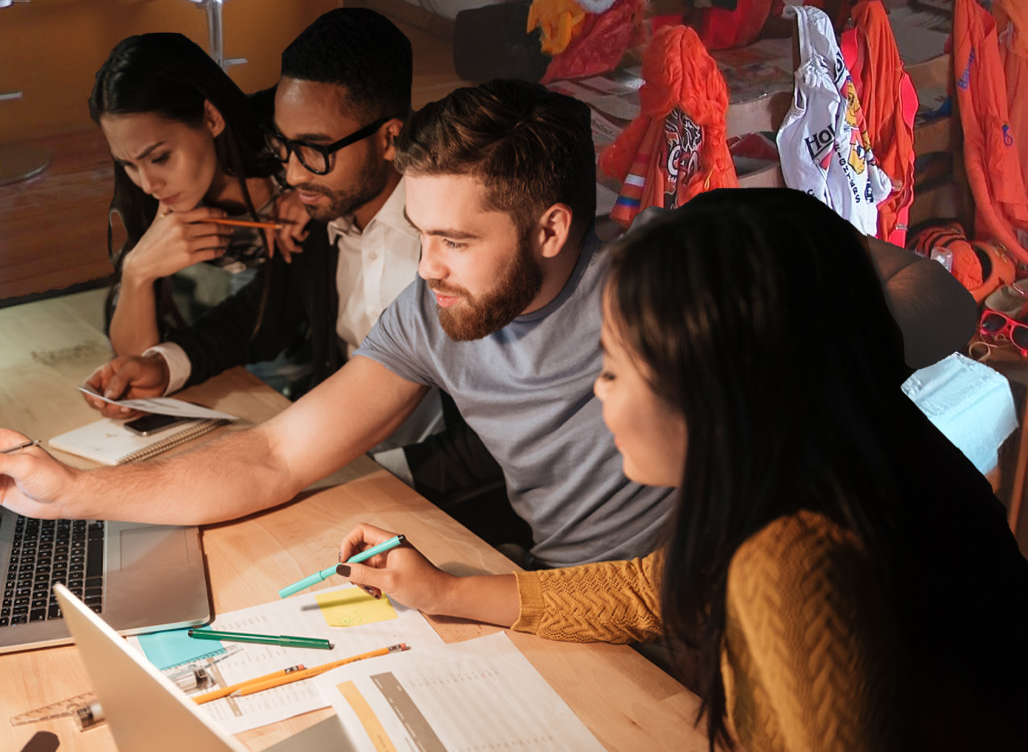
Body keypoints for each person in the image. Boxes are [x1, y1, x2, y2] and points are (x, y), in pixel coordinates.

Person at [0, 81, 975, 570]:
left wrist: (791, 346)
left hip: (702, 611)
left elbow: (939, 298)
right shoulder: (438, 309)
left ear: (553, 227)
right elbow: (275, 456)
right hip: (554, 594)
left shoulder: (663, 277)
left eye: (457, 240)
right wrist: (75, 490)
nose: (425, 269)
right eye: (419, 233)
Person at [329, 188, 1028, 752]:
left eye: (614, 367)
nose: (598, 392)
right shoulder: (852, 447)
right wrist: (447, 592)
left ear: (714, 391)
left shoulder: (794, 561)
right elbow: (658, 586)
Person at [82, 9, 475, 488]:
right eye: (284, 146)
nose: (290, 175)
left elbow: (495, 433)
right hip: (338, 456)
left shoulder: (451, 239)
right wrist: (163, 366)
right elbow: (266, 316)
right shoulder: (323, 211)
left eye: (314, 149)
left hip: (423, 489)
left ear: (390, 138)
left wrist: (367, 477)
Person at [89, 33, 304, 359]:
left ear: (211, 118)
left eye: (160, 157)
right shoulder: (157, 211)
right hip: (214, 387)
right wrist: (137, 274)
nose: (147, 184)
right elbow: (133, 363)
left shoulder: (298, 161)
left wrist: (314, 192)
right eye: (129, 165)